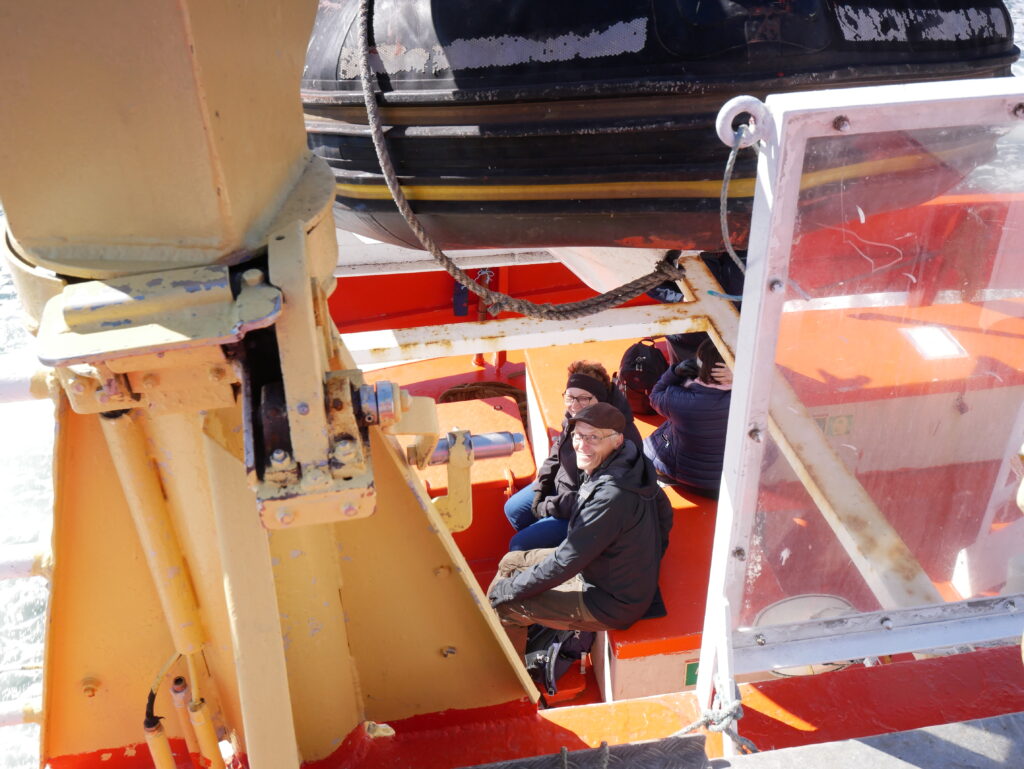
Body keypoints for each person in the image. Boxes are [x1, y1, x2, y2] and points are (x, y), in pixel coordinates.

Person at [488, 403, 673, 632]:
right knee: (510, 562)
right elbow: (665, 514)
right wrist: (649, 561)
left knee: (504, 605)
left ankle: (507, 649)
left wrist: (508, 590)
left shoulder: (611, 495)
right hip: (606, 572)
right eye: (578, 435)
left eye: (593, 437)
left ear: (617, 440)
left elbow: (566, 562)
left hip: (609, 603)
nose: (582, 445)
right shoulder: (633, 461)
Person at [504, 360, 642, 551]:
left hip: (589, 509)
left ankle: (560, 552)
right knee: (513, 510)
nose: (575, 405)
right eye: (570, 397)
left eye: (584, 398)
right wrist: (542, 487)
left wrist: (548, 506)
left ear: (600, 399)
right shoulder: (578, 414)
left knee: (519, 544)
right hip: (565, 489)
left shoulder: (617, 439)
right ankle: (547, 547)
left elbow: (595, 496)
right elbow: (557, 451)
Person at [644, 339, 732, 499]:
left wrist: (674, 373)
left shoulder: (675, 397)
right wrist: (742, 376)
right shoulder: (749, 398)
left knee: (662, 434)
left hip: (687, 480)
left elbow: (654, 396)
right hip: (730, 481)